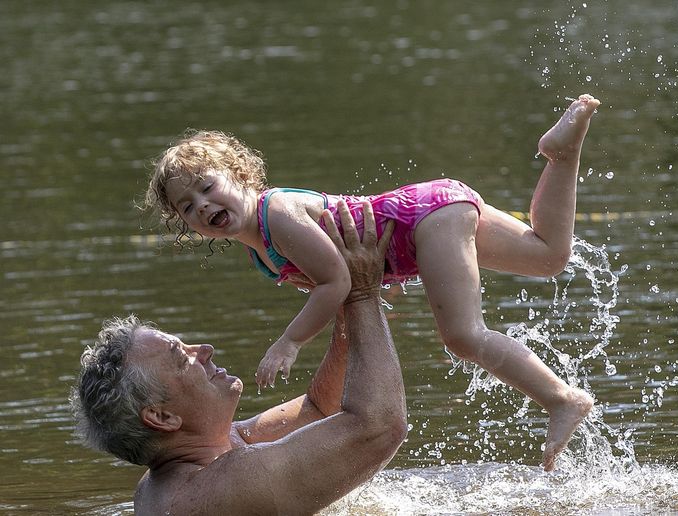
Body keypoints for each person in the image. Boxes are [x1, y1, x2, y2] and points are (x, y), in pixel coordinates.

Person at [145, 94, 601, 470]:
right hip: (433, 215)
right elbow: (342, 278)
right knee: (549, 256)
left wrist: (289, 342)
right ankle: (563, 154)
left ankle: (561, 399)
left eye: (207, 187)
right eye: (188, 207)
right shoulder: (260, 252)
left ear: (241, 174)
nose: (203, 205)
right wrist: (384, 278)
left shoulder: (277, 215)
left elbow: (335, 280)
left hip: (425, 222)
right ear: (189, 227)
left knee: (463, 336)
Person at [71, 205, 407, 515]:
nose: (203, 350)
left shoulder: (210, 453)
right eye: (181, 358)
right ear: (161, 416)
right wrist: (364, 294)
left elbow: (319, 409)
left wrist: (348, 296)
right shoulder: (224, 487)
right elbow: (379, 427)